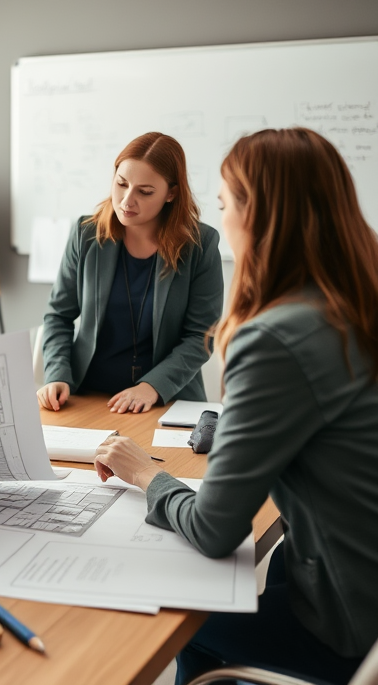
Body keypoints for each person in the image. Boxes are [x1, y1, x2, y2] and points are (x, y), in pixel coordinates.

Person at [94, 128, 378, 683]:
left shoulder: (274, 337)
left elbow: (214, 529)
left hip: (342, 624)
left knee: (151, 604)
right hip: (364, 589)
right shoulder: (354, 305)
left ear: (259, 217)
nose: (220, 224)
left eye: (225, 206)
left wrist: (145, 474)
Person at [38, 132, 223, 414]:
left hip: (165, 401)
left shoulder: (200, 245)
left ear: (171, 193)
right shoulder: (86, 234)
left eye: (145, 191)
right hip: (88, 398)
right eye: (121, 184)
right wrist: (57, 374)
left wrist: (152, 386)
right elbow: (58, 316)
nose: (126, 200)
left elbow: (201, 336)